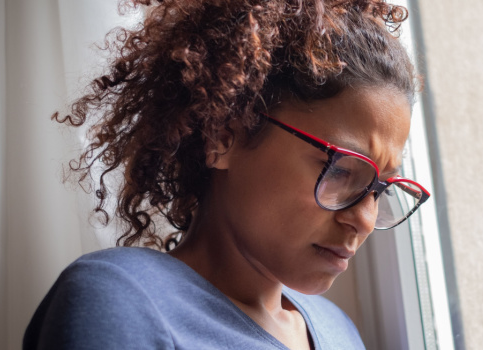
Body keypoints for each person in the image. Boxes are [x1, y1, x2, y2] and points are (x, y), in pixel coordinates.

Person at [23, 0, 430, 349]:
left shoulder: (338, 333)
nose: (364, 219)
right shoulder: (120, 301)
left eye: (380, 188)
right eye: (341, 169)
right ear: (223, 137)